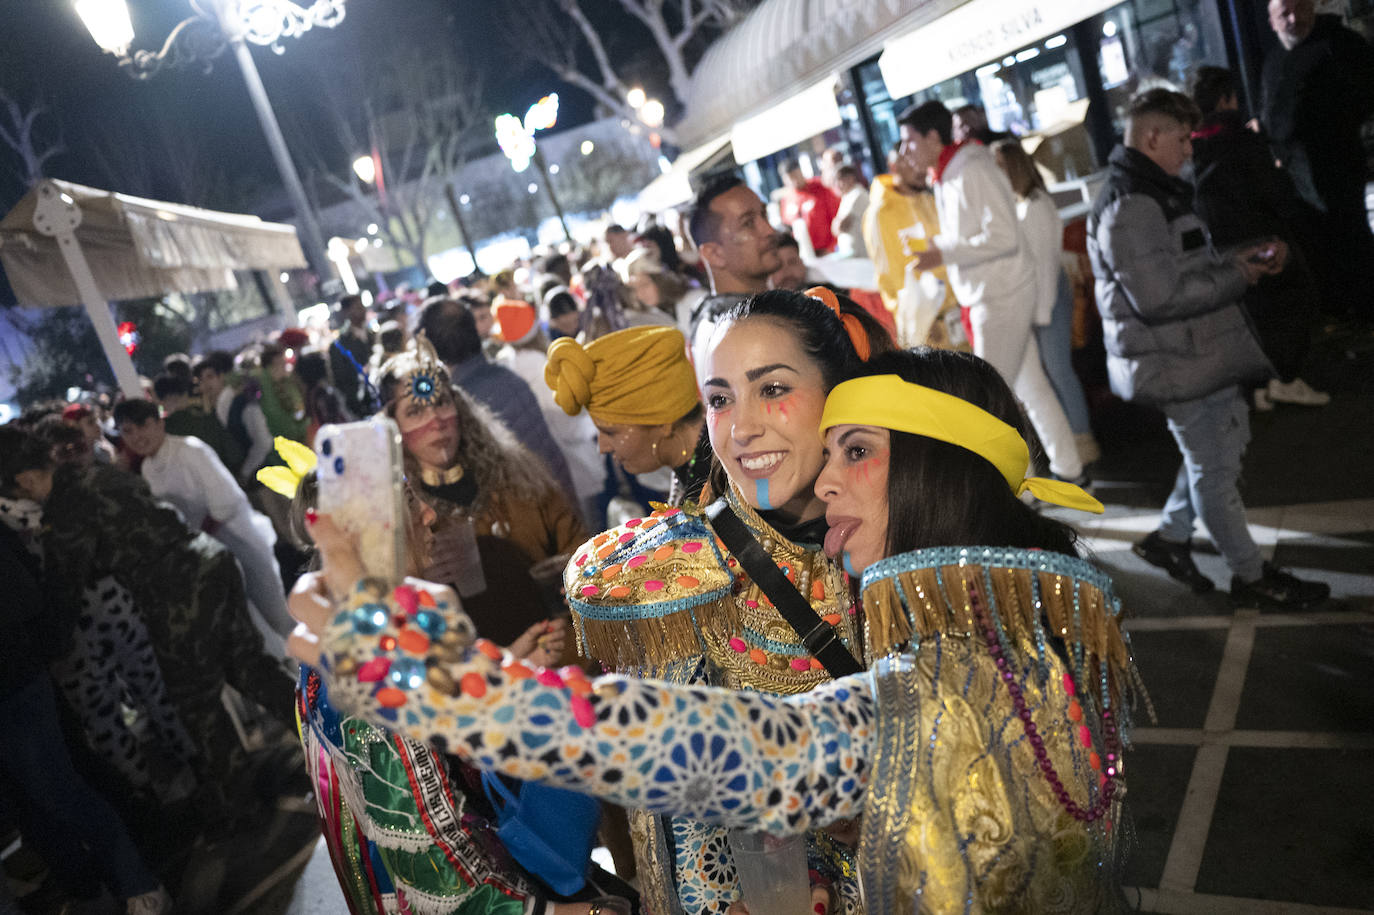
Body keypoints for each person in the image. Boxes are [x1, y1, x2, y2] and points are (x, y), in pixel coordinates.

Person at [291, 348, 1137, 915]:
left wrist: (442, 682)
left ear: (932, 465)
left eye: (857, 451)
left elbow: (728, 750)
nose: (826, 479)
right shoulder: (1037, 620)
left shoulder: (955, 686)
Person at [545, 289, 875, 915]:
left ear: (841, 392)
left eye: (773, 389)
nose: (743, 426)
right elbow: (693, 847)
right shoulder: (679, 579)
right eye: (720, 399)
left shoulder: (919, 532)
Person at [1088, 88, 1330, 609]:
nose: (1189, 151)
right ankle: (1251, 576)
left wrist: (1243, 256)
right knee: (1214, 472)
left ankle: (1170, 540)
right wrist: (1242, 272)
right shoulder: (1132, 204)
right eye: (1181, 139)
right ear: (1151, 137)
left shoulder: (1150, 191)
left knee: (1217, 455)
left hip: (1192, 355)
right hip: (1175, 361)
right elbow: (1158, 298)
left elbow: (1182, 266)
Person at [3, 423, 295, 825]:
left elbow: (63, 592)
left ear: (25, 479)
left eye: (15, 491)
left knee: (196, 704)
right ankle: (329, 739)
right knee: (250, 666)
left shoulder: (65, 512)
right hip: (210, 560)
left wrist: (41, 651)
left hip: (175, 593)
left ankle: (240, 805)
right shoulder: (95, 474)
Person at [0, 428, 172, 915]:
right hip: (49, 652)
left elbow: (35, 596)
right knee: (48, 792)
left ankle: (142, 869)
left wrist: (51, 640)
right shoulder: (17, 516)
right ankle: (96, 874)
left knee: (63, 782)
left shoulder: (68, 495)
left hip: (37, 663)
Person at [901, 101, 1084, 483]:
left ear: (934, 137)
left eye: (909, 142)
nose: (905, 152)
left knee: (989, 402)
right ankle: (1069, 470)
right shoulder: (955, 171)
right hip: (994, 294)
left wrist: (943, 251)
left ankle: (1021, 490)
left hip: (999, 297)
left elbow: (1002, 236)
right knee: (1031, 390)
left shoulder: (971, 169)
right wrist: (942, 251)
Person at [375, 336, 588, 649]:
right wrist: (420, 576)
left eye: (441, 403)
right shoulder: (400, 519)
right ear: (393, 429)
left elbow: (578, 544)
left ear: (459, 407)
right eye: (415, 412)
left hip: (563, 649)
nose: (435, 421)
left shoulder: (519, 474)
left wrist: (572, 572)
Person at [1190, 65, 1329, 409]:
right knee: (1294, 301)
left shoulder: (1192, 147)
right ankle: (1286, 378)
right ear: (1226, 99)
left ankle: (1259, 386)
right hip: (1260, 236)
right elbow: (1273, 192)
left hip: (1220, 245)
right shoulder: (1241, 139)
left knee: (1250, 317)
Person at [113, 398, 296, 649]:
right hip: (208, 556)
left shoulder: (190, 450)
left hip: (239, 540)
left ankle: (315, 675)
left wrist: (196, 535)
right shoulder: (148, 468)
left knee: (275, 615)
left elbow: (226, 500)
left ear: (158, 423)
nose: (137, 437)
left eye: (143, 425)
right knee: (251, 629)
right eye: (128, 431)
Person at [1262, 0, 1374, 320]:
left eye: (1300, 8)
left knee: (1351, 238)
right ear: (1273, 21)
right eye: (1285, 14)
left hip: (1337, 166)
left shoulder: (1339, 45)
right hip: (1296, 178)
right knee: (1320, 247)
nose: (1294, 19)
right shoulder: (1274, 61)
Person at [993, 139, 1103, 465]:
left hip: (1047, 297)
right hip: (1043, 297)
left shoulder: (1035, 206)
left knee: (1058, 370)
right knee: (1052, 373)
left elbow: (1042, 264)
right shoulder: (1027, 204)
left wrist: (1038, 312)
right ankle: (1075, 442)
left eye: (999, 166)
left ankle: (1081, 440)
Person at [416, 296, 579, 498]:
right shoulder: (508, 375)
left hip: (536, 509)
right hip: (562, 498)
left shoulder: (461, 404)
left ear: (432, 349)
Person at [545, 325, 711, 508]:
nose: (603, 447)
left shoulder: (721, 493)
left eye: (610, 432)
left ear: (663, 420)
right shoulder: (700, 469)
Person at [494, 298, 606, 528]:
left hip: (552, 463)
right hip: (573, 457)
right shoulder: (538, 365)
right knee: (593, 524)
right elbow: (566, 417)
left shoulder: (509, 362)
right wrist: (598, 425)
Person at [863, 145, 964, 349]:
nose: (919, 168)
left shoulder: (928, 199)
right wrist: (922, 319)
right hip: (927, 326)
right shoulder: (880, 214)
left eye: (919, 160)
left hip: (958, 314)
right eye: (910, 162)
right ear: (894, 166)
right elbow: (890, 278)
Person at [685, 175, 782, 369]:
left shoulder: (717, 318)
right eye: (747, 223)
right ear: (713, 253)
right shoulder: (734, 333)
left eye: (764, 215)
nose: (769, 230)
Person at [193, 350, 274, 487]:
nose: (206, 384)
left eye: (210, 377)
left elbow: (263, 442)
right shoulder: (216, 409)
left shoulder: (241, 402)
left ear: (221, 377)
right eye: (201, 380)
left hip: (265, 478)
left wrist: (244, 472)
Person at [154, 372, 245, 474]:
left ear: (159, 401)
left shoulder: (162, 433)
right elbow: (234, 454)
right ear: (185, 394)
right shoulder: (207, 419)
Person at [777, 158, 841, 255]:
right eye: (790, 178)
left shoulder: (820, 187)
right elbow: (787, 229)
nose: (794, 181)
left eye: (796, 175)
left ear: (800, 172)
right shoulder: (786, 200)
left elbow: (836, 215)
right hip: (804, 254)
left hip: (828, 251)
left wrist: (832, 247)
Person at [330, 293, 377, 417]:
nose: (362, 310)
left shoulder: (373, 333)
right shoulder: (339, 345)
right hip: (365, 405)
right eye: (357, 307)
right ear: (346, 312)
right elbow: (341, 380)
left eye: (362, 306)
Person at [294, 348, 354, 444]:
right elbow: (336, 425)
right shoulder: (324, 395)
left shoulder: (310, 393)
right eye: (327, 366)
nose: (330, 369)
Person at [830, 164, 869, 257]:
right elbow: (834, 229)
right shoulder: (846, 197)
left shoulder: (857, 195)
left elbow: (840, 226)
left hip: (861, 254)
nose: (836, 184)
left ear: (850, 178)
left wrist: (836, 222)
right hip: (851, 255)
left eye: (839, 179)